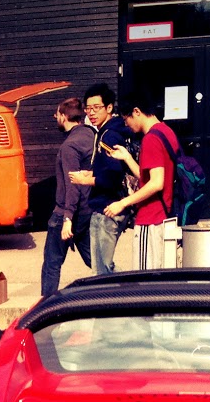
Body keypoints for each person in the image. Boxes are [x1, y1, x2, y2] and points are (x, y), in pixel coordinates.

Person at [98, 93, 181, 271]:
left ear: (136, 111)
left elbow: (156, 183)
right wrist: (127, 158)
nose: (126, 124)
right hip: (165, 215)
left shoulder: (151, 138)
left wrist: (123, 203)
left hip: (151, 219)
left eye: (126, 118)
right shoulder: (166, 131)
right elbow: (150, 178)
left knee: (144, 279)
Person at [67, 83, 133, 274]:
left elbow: (113, 176)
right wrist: (91, 174)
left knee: (102, 269)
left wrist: (86, 180)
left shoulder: (109, 136)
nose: (91, 113)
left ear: (109, 108)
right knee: (104, 267)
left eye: (97, 108)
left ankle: (124, 297)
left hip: (107, 208)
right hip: (111, 206)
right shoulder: (109, 132)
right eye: (88, 109)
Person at [40, 97, 99, 298]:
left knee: (52, 263)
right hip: (87, 211)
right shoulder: (92, 136)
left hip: (67, 213)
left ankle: (45, 308)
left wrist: (67, 219)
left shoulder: (69, 146)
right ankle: (120, 289)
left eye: (57, 114)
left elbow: (72, 184)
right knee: (96, 260)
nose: (54, 117)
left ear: (64, 117)